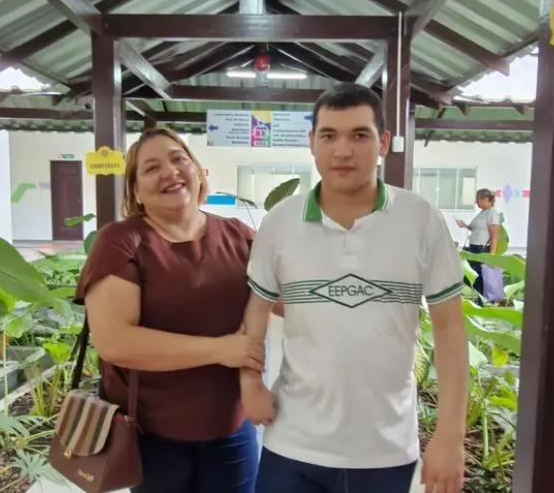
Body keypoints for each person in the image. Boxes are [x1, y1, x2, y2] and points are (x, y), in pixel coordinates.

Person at [240, 83, 469, 493]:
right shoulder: (280, 222)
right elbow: (256, 312)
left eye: (359, 135)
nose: (342, 151)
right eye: (329, 136)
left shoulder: (421, 219)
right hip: (292, 443)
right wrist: (250, 383)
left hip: (386, 450)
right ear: (312, 142)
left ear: (383, 143)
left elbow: (450, 328)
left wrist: (450, 435)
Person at [75, 128, 263, 493]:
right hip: (151, 435)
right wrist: (221, 349)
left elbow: (282, 299)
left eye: (179, 159)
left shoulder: (238, 235)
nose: (170, 172)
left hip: (231, 429)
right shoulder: (121, 241)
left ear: (198, 172)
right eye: (151, 168)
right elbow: (115, 342)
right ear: (135, 190)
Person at [455, 189, 501, 299]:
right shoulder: (483, 213)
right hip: (474, 248)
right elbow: (477, 229)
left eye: (478, 199)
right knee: (472, 275)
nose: (476, 202)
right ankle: (478, 298)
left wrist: (492, 255)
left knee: (480, 276)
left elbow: (495, 235)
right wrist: (465, 225)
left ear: (485, 199)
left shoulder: (492, 213)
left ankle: (483, 300)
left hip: (482, 249)